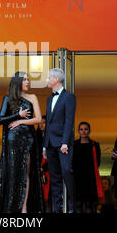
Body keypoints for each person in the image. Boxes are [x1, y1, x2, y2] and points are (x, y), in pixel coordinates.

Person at [0, 71, 43, 213]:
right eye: (25, 80)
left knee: (25, 173)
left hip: (28, 139)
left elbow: (39, 119)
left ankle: (24, 207)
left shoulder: (32, 97)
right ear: (17, 82)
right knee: (13, 172)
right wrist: (17, 115)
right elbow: (1, 119)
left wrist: (21, 120)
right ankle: (11, 206)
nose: (28, 82)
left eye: (28, 79)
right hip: (13, 139)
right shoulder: (8, 98)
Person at [43, 68, 76, 213]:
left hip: (63, 142)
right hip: (50, 143)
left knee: (66, 171)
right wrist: (45, 146)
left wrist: (64, 142)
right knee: (54, 176)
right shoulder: (49, 99)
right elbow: (48, 124)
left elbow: (69, 121)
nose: (47, 80)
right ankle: (58, 208)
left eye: (49, 77)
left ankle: (71, 206)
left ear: (56, 79)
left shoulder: (69, 97)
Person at [73, 121, 103, 213]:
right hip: (77, 178)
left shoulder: (95, 144)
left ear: (89, 131)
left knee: (89, 204)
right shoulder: (74, 144)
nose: (83, 131)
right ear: (78, 131)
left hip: (90, 179)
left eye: (86, 129)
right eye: (81, 129)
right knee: (77, 204)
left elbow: (98, 162)